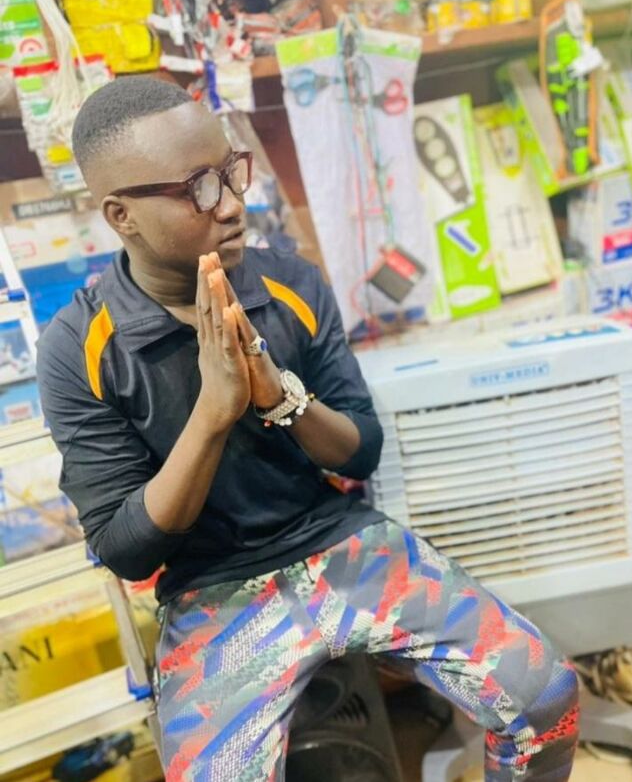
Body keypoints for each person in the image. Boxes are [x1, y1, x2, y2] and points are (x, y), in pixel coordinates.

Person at [36, 76, 578, 782]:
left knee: (545, 698)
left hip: (338, 540)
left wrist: (281, 398)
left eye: (230, 171)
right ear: (122, 215)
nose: (233, 204)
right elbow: (127, 550)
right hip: (213, 588)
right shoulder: (79, 348)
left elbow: (362, 448)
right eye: (198, 189)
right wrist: (214, 411)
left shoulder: (288, 284)